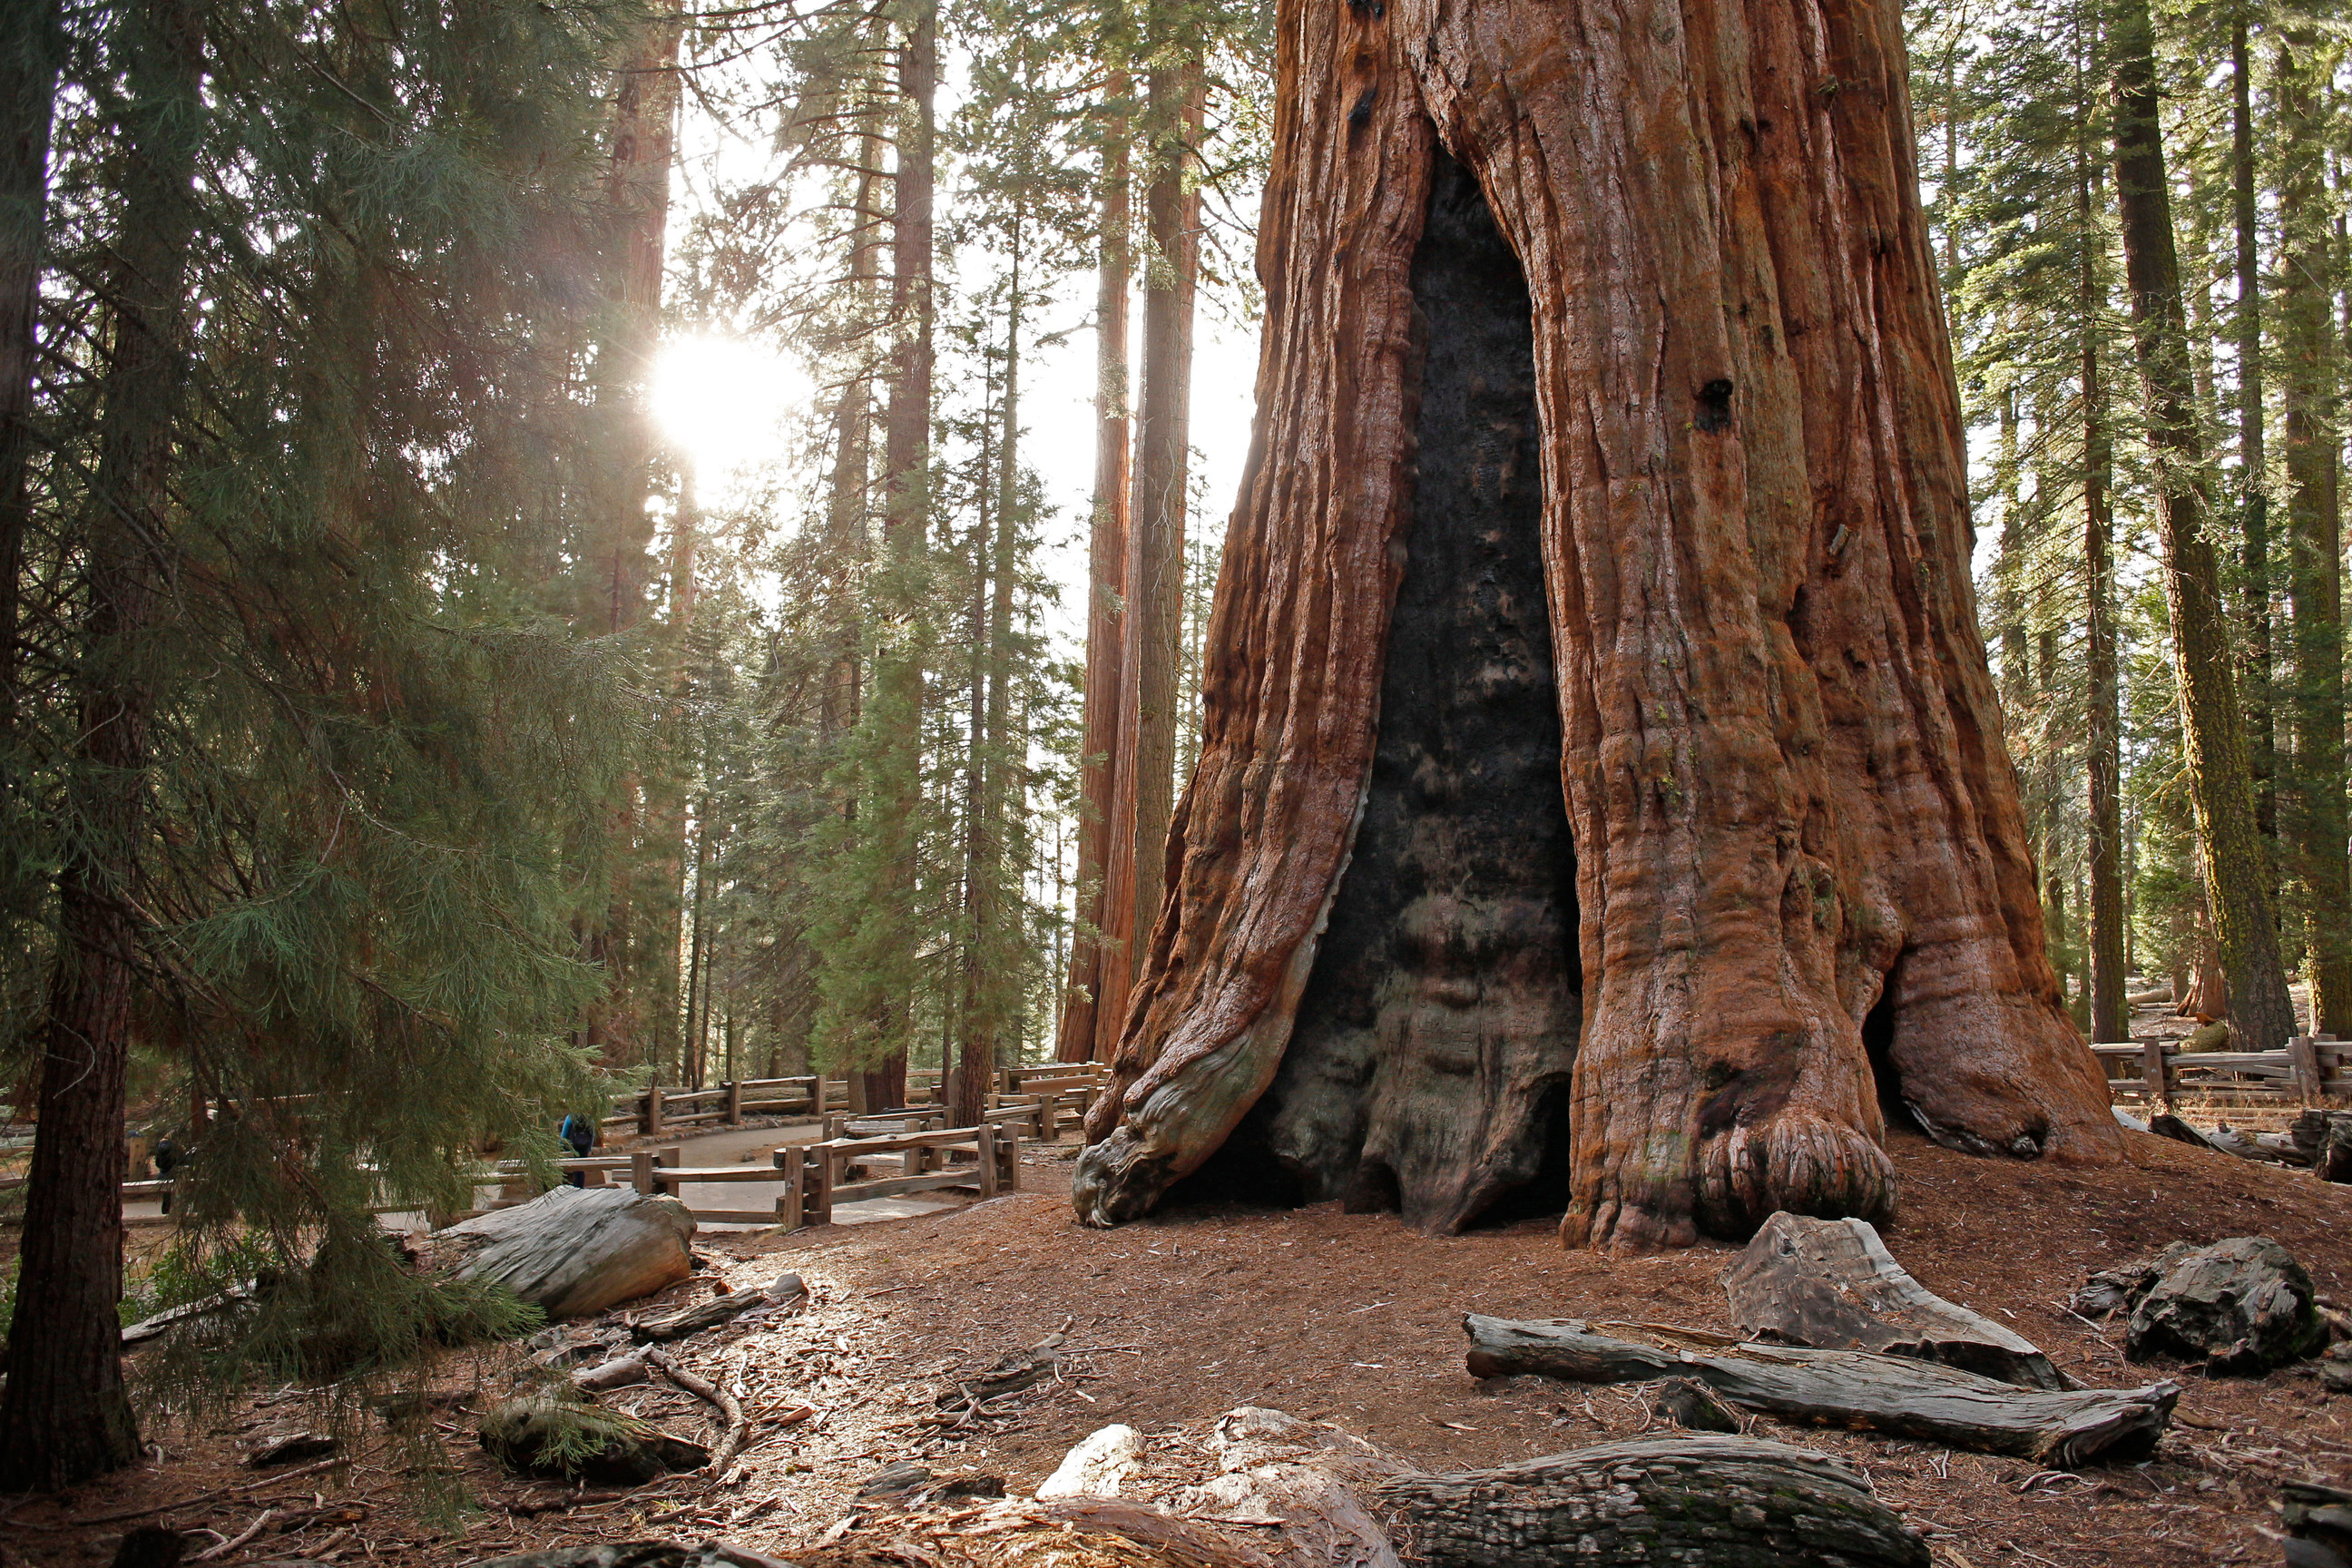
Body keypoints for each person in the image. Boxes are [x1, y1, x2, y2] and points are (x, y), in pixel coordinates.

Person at [557, 1112, 595, 1187]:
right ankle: (581, 1188)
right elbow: (592, 1135)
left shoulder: (570, 1117)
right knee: (581, 1170)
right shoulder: (589, 1119)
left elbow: (564, 1134)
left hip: (572, 1148)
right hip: (584, 1148)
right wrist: (589, 1148)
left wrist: (560, 1146)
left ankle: (574, 1188)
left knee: (573, 1170)